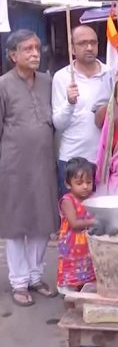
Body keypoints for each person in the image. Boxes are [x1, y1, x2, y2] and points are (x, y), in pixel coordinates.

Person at [0, 30, 59, 306]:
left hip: (43, 164)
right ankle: (19, 282)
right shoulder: (3, 85)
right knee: (16, 225)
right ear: (13, 56)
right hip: (12, 165)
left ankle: (35, 277)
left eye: (37, 48)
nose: (35, 53)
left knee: (41, 220)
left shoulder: (48, 81)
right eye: (27, 49)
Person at [52, 25, 109, 196]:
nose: (89, 47)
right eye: (83, 43)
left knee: (101, 218)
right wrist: (69, 103)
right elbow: (58, 124)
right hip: (71, 160)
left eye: (93, 42)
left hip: (102, 160)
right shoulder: (62, 77)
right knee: (72, 218)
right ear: (72, 48)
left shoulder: (111, 73)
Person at [56, 157, 97, 296]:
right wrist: (95, 222)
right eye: (79, 183)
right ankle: (69, 294)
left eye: (89, 182)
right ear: (68, 184)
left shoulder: (93, 198)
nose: (85, 186)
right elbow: (74, 224)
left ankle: (84, 290)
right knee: (71, 276)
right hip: (72, 248)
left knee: (88, 270)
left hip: (87, 246)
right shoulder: (68, 201)